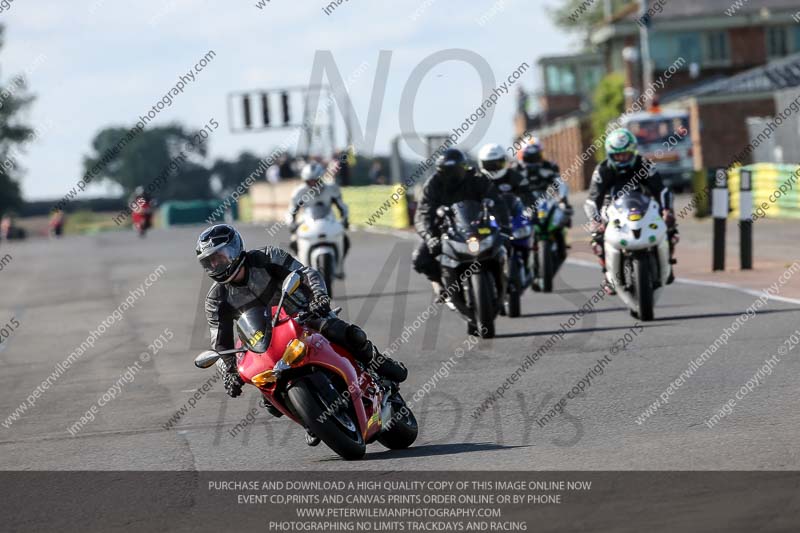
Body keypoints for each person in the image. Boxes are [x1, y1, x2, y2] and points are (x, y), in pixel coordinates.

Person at [196, 224, 407, 445]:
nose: (216, 265)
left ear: (235, 249)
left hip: (303, 316)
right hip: (265, 342)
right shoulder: (215, 299)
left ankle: (378, 363)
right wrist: (227, 372)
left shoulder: (268, 257)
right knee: (267, 396)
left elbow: (306, 273)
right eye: (209, 262)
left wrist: (319, 297)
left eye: (219, 257)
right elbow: (220, 345)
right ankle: (310, 420)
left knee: (346, 333)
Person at [584, 128, 678, 295]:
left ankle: (667, 263)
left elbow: (662, 190)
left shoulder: (645, 165)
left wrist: (667, 211)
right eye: (617, 155)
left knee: (670, 227)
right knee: (597, 237)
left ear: (633, 151)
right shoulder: (602, 170)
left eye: (625, 154)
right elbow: (592, 199)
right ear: (609, 154)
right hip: (611, 207)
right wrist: (595, 220)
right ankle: (608, 272)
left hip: (643, 204)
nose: (621, 158)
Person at [412, 147, 511, 297]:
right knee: (420, 258)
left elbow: (497, 202)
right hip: (445, 228)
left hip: (478, 227)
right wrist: (429, 236)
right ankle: (438, 282)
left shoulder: (478, 179)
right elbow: (423, 213)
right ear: (439, 170)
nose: (452, 175)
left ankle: (505, 281)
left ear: (464, 167)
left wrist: (504, 226)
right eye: (447, 171)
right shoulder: (432, 185)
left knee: (505, 243)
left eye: (456, 170)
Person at [286, 162, 350, 277]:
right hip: (306, 221)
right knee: (293, 242)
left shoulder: (332, 189)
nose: (313, 184)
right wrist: (291, 223)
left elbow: (342, 207)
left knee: (345, 239)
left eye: (315, 180)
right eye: (309, 181)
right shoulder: (299, 192)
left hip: (328, 219)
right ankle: (299, 270)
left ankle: (339, 267)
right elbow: (291, 211)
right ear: (304, 180)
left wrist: (345, 219)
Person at [516, 138, 570, 210]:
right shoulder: (516, 170)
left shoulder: (550, 166)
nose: (533, 160)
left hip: (545, 202)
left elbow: (560, 183)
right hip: (524, 204)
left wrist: (562, 198)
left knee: (564, 212)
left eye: (536, 156)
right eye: (529, 157)